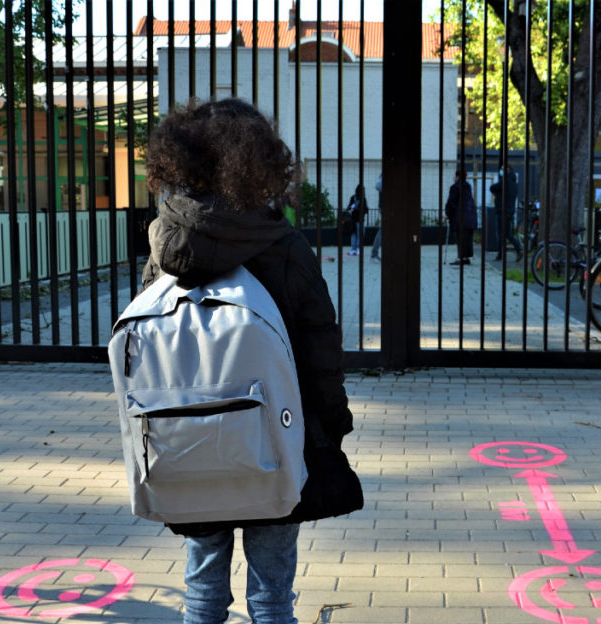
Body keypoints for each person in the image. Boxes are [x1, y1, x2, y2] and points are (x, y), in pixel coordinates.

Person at [142, 97, 357, 624]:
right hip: (276, 438)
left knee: (203, 587)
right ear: (260, 162)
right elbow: (319, 347)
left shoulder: (166, 244)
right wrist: (333, 423)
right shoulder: (283, 245)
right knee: (272, 594)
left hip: (189, 436)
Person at [489, 164, 523, 261]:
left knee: (500, 234)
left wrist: (497, 194)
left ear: (508, 170)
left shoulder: (504, 181)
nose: (501, 171)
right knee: (508, 234)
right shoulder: (514, 184)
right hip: (509, 211)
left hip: (501, 211)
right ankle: (518, 249)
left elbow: (492, 188)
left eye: (503, 169)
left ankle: (500, 255)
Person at [444, 167, 477, 265]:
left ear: (458, 176)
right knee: (467, 238)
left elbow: (451, 203)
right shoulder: (468, 186)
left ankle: (461, 258)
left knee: (460, 237)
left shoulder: (455, 187)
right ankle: (466, 258)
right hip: (470, 216)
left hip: (460, 217)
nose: (454, 177)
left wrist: (447, 214)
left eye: (455, 175)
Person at [346, 184, 368, 256]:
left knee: (353, 234)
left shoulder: (353, 198)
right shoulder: (363, 199)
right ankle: (358, 249)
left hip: (353, 219)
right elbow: (365, 209)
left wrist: (353, 208)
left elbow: (349, 207)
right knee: (360, 235)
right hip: (360, 220)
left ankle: (353, 249)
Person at [371, 174, 383, 262]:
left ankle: (374, 254)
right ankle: (374, 254)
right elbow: (378, 186)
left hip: (387, 207)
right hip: (385, 207)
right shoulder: (384, 175)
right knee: (383, 231)